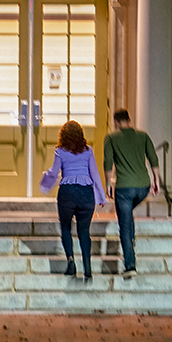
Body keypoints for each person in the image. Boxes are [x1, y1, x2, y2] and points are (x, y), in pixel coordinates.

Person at [40, 120, 107, 280]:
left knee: (65, 227)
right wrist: (100, 196)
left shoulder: (60, 151)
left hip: (67, 192)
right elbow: (94, 173)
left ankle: (70, 260)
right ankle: (88, 268)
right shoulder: (88, 150)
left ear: (63, 135)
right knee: (84, 232)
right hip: (86, 193)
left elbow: (54, 172)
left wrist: (45, 182)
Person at [103, 109, 160, 279]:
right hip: (142, 186)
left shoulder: (111, 138)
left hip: (125, 188)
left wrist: (108, 184)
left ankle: (130, 265)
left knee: (125, 224)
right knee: (126, 215)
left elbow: (108, 162)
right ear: (129, 119)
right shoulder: (143, 136)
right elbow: (153, 158)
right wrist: (156, 180)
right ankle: (131, 239)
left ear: (115, 122)